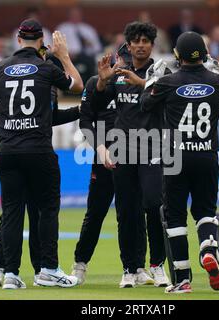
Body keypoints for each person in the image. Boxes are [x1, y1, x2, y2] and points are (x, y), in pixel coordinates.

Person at [0, 18, 83, 289]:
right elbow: (79, 86)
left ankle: (10, 274)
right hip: (38, 151)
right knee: (46, 209)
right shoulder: (46, 68)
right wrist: (64, 56)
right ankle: (48, 269)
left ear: (18, 40)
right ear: (41, 42)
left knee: (11, 212)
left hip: (8, 152)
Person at [140, 31, 219, 293]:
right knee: (206, 211)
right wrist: (217, 75)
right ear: (205, 55)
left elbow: (145, 104)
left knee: (174, 218)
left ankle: (182, 279)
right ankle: (208, 246)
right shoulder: (216, 81)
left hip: (176, 156)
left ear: (177, 56)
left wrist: (153, 81)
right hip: (207, 154)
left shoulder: (169, 82)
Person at [92, 22, 170, 288]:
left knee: (152, 205)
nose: (139, 45)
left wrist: (143, 83)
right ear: (128, 44)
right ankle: (129, 268)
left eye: (145, 41)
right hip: (123, 148)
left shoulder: (161, 70)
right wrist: (102, 81)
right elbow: (99, 105)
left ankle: (158, 265)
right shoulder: (118, 71)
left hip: (153, 148)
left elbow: (169, 99)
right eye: (135, 41)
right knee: (126, 211)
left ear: (152, 44)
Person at [72, 44, 151, 286]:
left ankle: (137, 267)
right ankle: (79, 264)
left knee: (134, 214)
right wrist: (99, 148)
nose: (125, 66)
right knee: (96, 213)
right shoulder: (97, 82)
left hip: (132, 156)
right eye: (123, 61)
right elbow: (85, 120)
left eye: (129, 62)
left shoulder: (139, 84)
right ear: (116, 58)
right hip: (103, 156)